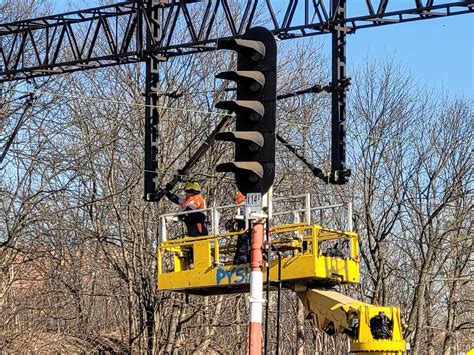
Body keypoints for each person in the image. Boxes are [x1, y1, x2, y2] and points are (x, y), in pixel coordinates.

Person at [226, 191, 251, 264]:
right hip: (246, 234)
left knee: (243, 246)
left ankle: (241, 261)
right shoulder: (248, 207)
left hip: (245, 235)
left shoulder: (242, 208)